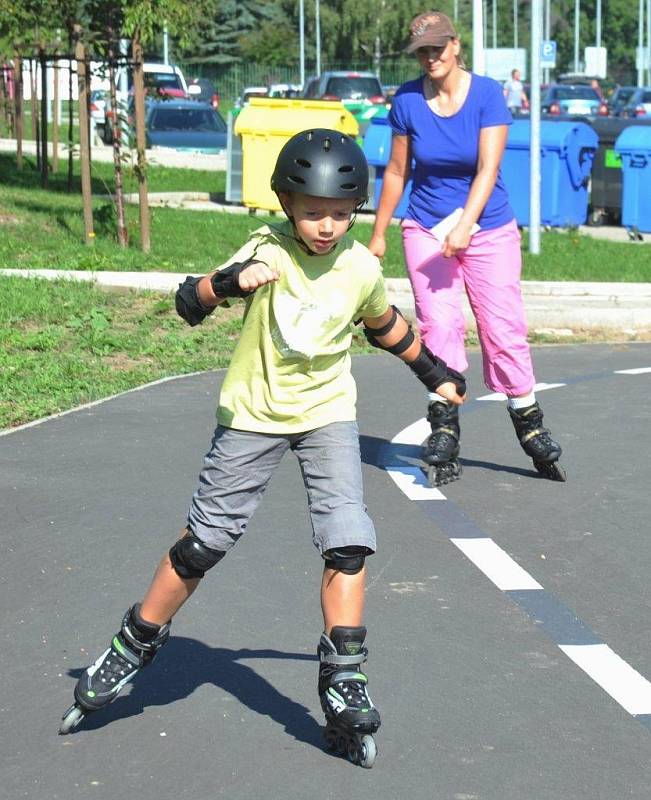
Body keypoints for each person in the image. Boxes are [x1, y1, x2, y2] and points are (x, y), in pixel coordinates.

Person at [59, 128, 466, 765]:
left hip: (328, 413)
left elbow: (385, 325)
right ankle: (131, 645)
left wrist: (435, 372)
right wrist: (227, 283)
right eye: (312, 213)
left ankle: (345, 678)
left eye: (339, 213)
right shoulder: (266, 250)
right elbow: (187, 302)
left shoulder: (360, 266)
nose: (327, 226)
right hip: (252, 416)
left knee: (348, 538)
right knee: (204, 545)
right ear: (286, 204)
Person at [368, 11, 565, 485]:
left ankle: (528, 419)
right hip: (426, 226)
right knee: (440, 325)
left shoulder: (486, 95)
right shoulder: (408, 101)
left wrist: (467, 224)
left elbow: (488, 170)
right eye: (422, 50)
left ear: (456, 46)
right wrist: (377, 232)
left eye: (438, 47)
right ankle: (444, 426)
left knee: (502, 327)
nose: (431, 57)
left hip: (488, 226)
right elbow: (397, 171)